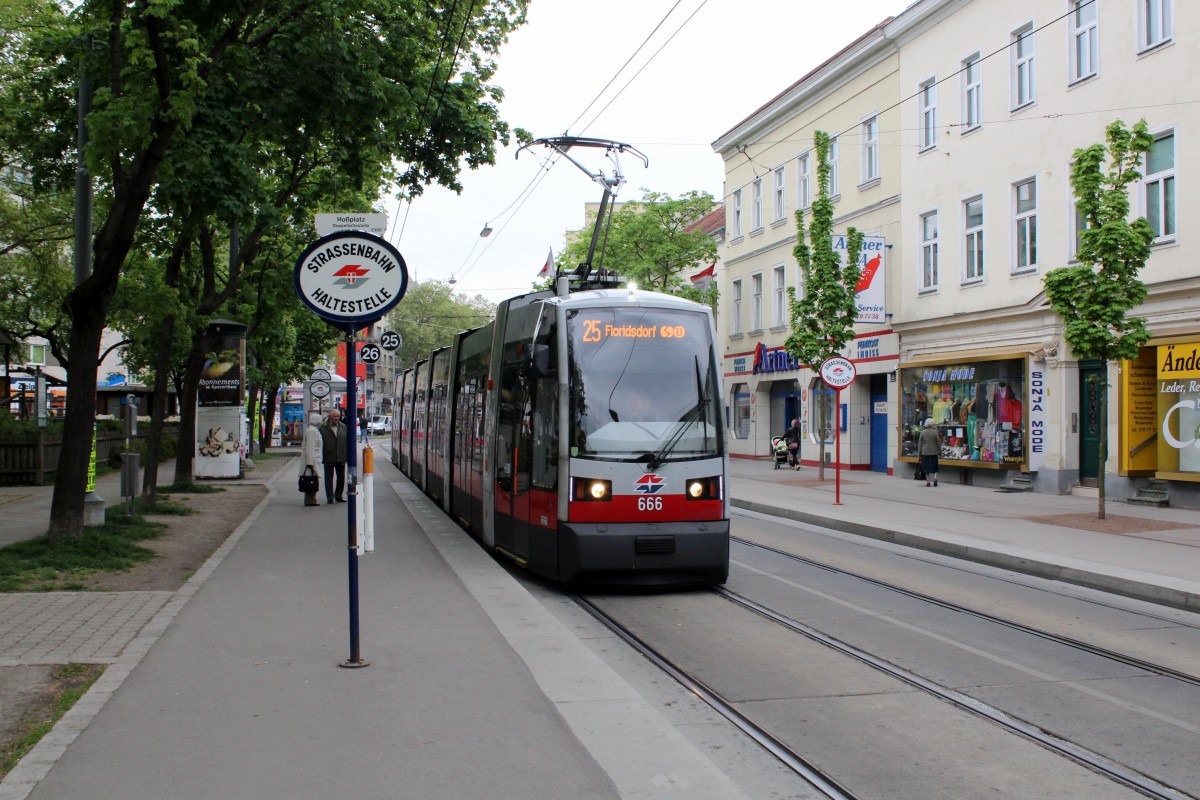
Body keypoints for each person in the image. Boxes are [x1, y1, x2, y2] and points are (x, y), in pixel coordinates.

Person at [321, 408, 348, 503]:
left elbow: (348, 442)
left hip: (341, 456)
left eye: (338, 416)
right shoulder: (323, 427)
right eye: (334, 416)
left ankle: (338, 495)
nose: (336, 418)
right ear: (329, 416)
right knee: (328, 478)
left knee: (341, 478)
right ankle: (330, 497)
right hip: (328, 455)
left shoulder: (344, 427)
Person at [300, 412, 323, 507]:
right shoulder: (312, 432)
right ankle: (311, 500)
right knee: (311, 480)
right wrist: (310, 463)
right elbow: (310, 447)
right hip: (312, 461)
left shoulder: (313, 430)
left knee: (311, 480)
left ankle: (310, 499)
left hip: (313, 459)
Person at [918, 417, 941, 487]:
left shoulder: (922, 432)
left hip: (925, 453)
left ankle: (928, 482)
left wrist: (919, 453)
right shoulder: (935, 432)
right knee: (934, 468)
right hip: (934, 453)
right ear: (932, 424)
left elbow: (920, 444)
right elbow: (938, 443)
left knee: (926, 469)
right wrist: (939, 451)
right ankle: (935, 479)